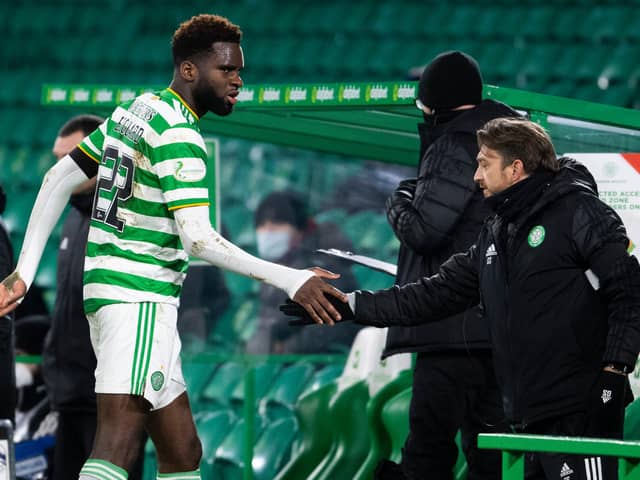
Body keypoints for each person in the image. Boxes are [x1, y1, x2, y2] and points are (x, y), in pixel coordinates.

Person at [0, 14, 346, 480]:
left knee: (184, 451)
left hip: (115, 296)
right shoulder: (181, 135)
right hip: (138, 298)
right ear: (189, 70)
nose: (238, 80)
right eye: (227, 70)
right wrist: (291, 278)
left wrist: (23, 269)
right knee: (116, 447)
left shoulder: (136, 111)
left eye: (239, 70)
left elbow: (58, 177)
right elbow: (199, 239)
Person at [282, 117, 640, 480]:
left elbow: (629, 291)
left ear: (515, 168)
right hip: (525, 415)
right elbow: (432, 294)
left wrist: (614, 371)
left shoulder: (579, 211)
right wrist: (351, 306)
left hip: (580, 408)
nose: (476, 176)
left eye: (484, 164)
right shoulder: (498, 231)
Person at [378, 51, 520, 480]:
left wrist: (399, 199)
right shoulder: (511, 141)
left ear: (431, 101)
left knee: (428, 449)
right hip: (499, 327)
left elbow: (424, 230)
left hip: (451, 326)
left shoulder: (456, 144)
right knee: (490, 450)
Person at [41, 115, 145, 480]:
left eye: (72, 157)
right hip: (69, 393)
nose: (62, 168)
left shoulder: (130, 218)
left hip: (109, 397)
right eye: (58, 158)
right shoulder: (71, 216)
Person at [247, 190, 360, 354]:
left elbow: (332, 325)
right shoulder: (273, 267)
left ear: (299, 229)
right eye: (262, 225)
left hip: (317, 364)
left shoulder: (324, 267)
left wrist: (285, 350)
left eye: (277, 223)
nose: (268, 231)